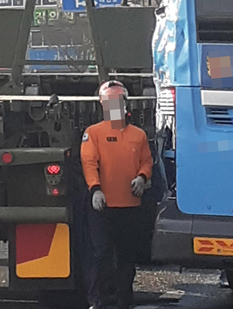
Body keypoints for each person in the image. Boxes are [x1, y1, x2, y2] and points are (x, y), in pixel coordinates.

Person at [81, 80, 153, 309]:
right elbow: (89, 162)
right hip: (103, 207)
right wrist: (95, 189)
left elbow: (147, 161)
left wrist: (142, 177)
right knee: (101, 254)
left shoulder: (138, 135)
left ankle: (125, 300)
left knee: (126, 258)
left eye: (118, 102)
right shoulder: (93, 133)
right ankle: (97, 300)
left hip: (130, 206)